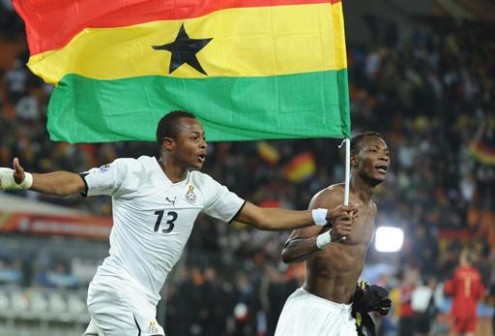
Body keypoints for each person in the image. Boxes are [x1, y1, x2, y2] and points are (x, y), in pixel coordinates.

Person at [0, 110, 356, 336]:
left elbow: (261, 216)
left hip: (144, 301)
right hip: (117, 291)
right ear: (169, 143)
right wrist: (27, 180)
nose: (204, 145)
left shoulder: (202, 188)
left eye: (204, 138)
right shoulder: (132, 171)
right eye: (195, 138)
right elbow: (75, 183)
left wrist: (323, 216)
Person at [274, 131, 391, 336]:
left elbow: (343, 264)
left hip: (344, 316)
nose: (384, 157)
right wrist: (329, 236)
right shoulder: (330, 198)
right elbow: (288, 253)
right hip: (310, 311)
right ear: (353, 160)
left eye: (386, 153)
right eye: (374, 151)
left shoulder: (372, 209)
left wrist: (363, 293)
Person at [444, 248, 486, 336]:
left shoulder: (457, 273)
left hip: (459, 308)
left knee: (456, 332)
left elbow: (449, 290)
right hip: (471, 309)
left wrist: (447, 284)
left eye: (461, 257)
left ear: (466, 260)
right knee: (470, 332)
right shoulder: (477, 274)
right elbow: (480, 293)